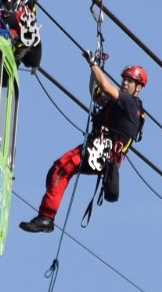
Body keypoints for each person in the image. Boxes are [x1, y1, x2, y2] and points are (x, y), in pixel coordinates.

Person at [19, 58, 147, 233]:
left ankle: (46, 217)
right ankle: (46, 215)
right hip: (97, 148)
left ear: (138, 87)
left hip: (102, 154)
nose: (125, 83)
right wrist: (94, 70)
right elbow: (96, 93)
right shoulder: (120, 104)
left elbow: (105, 86)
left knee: (64, 168)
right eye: (124, 79)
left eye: (130, 81)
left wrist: (93, 64)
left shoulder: (130, 103)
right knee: (57, 168)